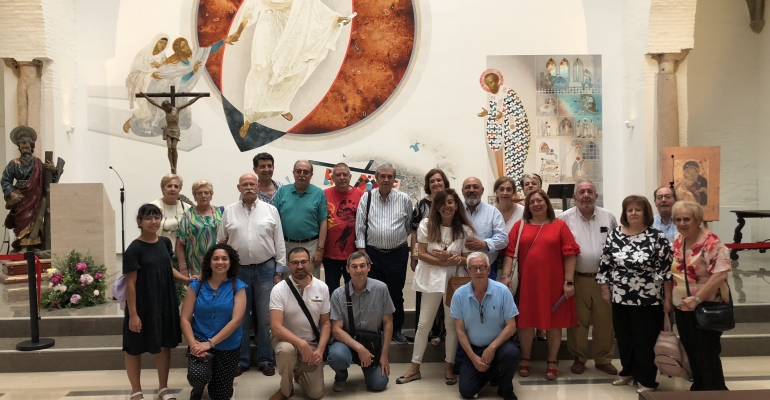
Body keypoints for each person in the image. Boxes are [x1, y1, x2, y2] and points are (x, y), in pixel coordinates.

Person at [228, 1, 353, 137]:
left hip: (293, 29)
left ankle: (281, 106)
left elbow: (314, 7)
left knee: (292, 73)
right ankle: (249, 116)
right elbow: (249, 11)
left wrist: (335, 19)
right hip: (268, 25)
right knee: (261, 68)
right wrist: (238, 32)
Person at [397, 188, 474, 385]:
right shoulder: (426, 224)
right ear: (436, 207)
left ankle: (449, 367)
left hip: (453, 281)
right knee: (423, 324)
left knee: (451, 325)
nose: (447, 207)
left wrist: (456, 259)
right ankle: (415, 367)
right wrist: (444, 262)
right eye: (442, 203)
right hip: (431, 278)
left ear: (456, 205)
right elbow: (420, 253)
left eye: (450, 202)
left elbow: (468, 259)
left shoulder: (464, 229)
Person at [597, 195, 673, 393]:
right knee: (624, 337)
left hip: (648, 298)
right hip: (620, 297)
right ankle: (628, 371)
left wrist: (668, 299)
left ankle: (647, 379)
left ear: (645, 213)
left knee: (645, 340)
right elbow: (605, 264)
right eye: (629, 210)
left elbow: (665, 272)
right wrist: (605, 289)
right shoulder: (615, 235)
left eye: (637, 210)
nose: (633, 213)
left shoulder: (657, 237)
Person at [501, 189, 579, 380]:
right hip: (527, 283)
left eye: (540, 200)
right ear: (527, 206)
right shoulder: (520, 226)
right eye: (532, 201)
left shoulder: (559, 226)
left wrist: (569, 282)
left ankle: (552, 360)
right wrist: (505, 276)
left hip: (553, 283)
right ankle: (525, 358)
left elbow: (570, 254)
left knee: (553, 322)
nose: (536, 204)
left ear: (547, 203)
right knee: (525, 321)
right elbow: (510, 253)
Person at [218, 173, 286, 377]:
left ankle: (266, 359)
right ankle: (242, 359)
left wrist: (279, 272)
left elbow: (279, 242)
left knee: (265, 318)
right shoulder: (229, 212)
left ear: (257, 187)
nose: (248, 187)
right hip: (238, 272)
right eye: (244, 184)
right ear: (238, 188)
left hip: (265, 269)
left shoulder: (271, 210)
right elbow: (221, 242)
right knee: (240, 317)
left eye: (252, 184)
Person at [123, 204, 192, 400]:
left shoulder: (164, 242)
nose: (153, 221)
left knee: (164, 344)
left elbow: (168, 269)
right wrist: (133, 314)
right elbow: (131, 284)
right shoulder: (134, 249)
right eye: (148, 218)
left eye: (156, 217)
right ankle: (136, 391)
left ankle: (163, 388)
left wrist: (187, 280)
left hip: (163, 301)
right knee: (134, 347)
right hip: (143, 304)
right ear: (139, 222)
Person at [557, 180, 618, 375]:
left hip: (604, 280)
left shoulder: (608, 217)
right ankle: (579, 358)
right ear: (574, 197)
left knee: (604, 320)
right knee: (578, 321)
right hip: (578, 277)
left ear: (596, 196)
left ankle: (603, 359)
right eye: (581, 192)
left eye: (589, 191)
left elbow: (616, 247)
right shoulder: (564, 219)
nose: (586, 195)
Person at [671, 201, 731, 391]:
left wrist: (696, 299)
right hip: (683, 306)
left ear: (697, 220)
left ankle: (716, 391)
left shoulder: (711, 242)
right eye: (678, 219)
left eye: (687, 219)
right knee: (691, 350)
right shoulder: (679, 240)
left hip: (706, 306)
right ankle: (699, 388)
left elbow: (721, 274)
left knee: (706, 353)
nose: (682, 223)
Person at [355, 163, 413, 344]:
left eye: (390, 177)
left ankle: (396, 329)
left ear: (394, 180)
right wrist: (362, 251)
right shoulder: (367, 198)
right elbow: (360, 225)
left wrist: (395, 238)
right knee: (373, 293)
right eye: (383, 176)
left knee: (396, 293)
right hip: (373, 254)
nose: (386, 179)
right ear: (376, 178)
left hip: (397, 254)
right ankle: (376, 330)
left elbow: (410, 225)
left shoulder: (404, 198)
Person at [180, 244, 247, 400]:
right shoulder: (197, 285)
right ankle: (197, 388)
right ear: (209, 262)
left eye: (224, 258)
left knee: (220, 395)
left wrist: (210, 344)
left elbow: (236, 321)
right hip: (199, 340)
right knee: (198, 376)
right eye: (215, 258)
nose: (220, 262)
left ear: (231, 262)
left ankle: (218, 386)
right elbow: (184, 318)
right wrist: (194, 345)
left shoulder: (238, 286)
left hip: (228, 344)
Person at [451, 252, 520, 400]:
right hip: (474, 348)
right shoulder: (459, 295)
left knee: (511, 352)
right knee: (467, 392)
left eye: (482, 267)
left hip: (500, 345)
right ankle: (492, 372)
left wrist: (492, 348)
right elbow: (460, 331)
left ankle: (505, 387)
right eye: (473, 268)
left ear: (489, 270)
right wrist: (474, 358)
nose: (478, 272)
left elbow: (511, 326)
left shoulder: (503, 291)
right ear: (467, 271)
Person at [269, 248, 331, 400]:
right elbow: (276, 327)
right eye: (295, 263)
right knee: (286, 350)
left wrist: (320, 350)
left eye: (303, 262)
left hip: (312, 342)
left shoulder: (322, 287)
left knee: (316, 394)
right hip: (285, 341)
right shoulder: (278, 289)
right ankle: (286, 389)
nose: (300, 266)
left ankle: (299, 372)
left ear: (310, 263)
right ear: (288, 265)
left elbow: (326, 323)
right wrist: (302, 344)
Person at [328, 251, 394, 392]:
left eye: (362, 266)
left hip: (371, 342)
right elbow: (336, 329)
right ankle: (341, 376)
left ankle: (369, 370)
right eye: (354, 266)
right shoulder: (338, 294)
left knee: (378, 384)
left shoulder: (381, 289)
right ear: (347, 269)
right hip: (347, 341)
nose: (359, 270)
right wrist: (359, 348)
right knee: (336, 356)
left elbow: (388, 322)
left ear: (369, 267)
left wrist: (384, 355)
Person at [2, 126, 60, 252]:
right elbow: (5, 180)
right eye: (22, 148)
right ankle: (23, 245)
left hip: (35, 196)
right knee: (22, 220)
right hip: (20, 197)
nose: (25, 150)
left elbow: (49, 181)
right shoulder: (13, 163)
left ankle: (33, 245)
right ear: (19, 148)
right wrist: (11, 193)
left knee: (35, 219)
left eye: (27, 147)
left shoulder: (38, 163)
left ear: (32, 147)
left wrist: (54, 170)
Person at [410, 168, 450, 346]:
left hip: (448, 261)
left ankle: (441, 333)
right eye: (432, 181)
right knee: (426, 297)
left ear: (444, 182)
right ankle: (428, 332)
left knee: (445, 301)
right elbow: (414, 232)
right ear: (428, 185)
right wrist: (414, 255)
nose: (436, 183)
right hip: (427, 259)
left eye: (439, 180)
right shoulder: (422, 205)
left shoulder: (452, 202)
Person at [274, 160, 328, 279]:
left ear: (311, 175)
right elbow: (274, 219)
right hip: (286, 245)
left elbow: (323, 222)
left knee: (311, 281)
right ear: (293, 173)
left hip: (311, 246)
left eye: (306, 172)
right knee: (288, 282)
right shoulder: (283, 191)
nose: (302, 174)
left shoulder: (319, 193)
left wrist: (320, 250)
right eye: (298, 171)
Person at [477, 71, 531, 183]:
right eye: (487, 83)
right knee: (500, 165)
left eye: (491, 82)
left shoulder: (508, 93)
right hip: (499, 134)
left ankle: (515, 189)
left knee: (513, 164)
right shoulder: (492, 96)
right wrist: (488, 113)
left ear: (497, 81)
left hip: (514, 134)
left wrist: (502, 115)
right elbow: (495, 114)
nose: (490, 85)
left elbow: (517, 112)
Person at [138, 92, 206, 174]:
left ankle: (175, 166)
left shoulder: (177, 109)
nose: (166, 109)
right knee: (169, 147)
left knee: (174, 147)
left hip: (176, 130)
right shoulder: (165, 110)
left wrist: (198, 97)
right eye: (165, 108)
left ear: (170, 105)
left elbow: (189, 102)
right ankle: (172, 166)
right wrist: (145, 96)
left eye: (167, 107)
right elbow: (154, 103)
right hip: (168, 130)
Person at [323, 163, 364, 295]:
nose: (341, 177)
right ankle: (334, 316)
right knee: (331, 290)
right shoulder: (324, 195)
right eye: (338, 175)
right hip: (330, 254)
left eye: (345, 174)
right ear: (332, 177)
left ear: (350, 177)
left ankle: (352, 316)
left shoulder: (361, 195)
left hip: (353, 254)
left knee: (354, 291)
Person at [461, 177, 508, 282]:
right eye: (467, 187)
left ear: (482, 190)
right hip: (459, 269)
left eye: (476, 187)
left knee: (486, 298)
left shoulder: (492, 212)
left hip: (486, 269)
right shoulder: (455, 211)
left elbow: (503, 238)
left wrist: (484, 244)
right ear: (462, 191)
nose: (471, 190)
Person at [177, 180, 223, 276]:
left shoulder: (221, 213)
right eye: (199, 193)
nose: (203, 195)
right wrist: (183, 267)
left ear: (211, 195)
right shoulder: (188, 215)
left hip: (220, 265)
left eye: (206, 192)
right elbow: (180, 243)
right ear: (194, 196)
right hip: (196, 266)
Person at [124, 34, 168, 133]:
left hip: (158, 85)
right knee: (146, 108)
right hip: (142, 83)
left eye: (165, 44)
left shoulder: (163, 56)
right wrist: (151, 75)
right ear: (155, 41)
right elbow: (134, 72)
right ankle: (132, 122)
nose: (163, 45)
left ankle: (150, 125)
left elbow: (167, 70)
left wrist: (159, 66)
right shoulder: (144, 53)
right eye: (161, 42)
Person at [150, 174, 193, 253]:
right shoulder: (153, 207)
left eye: (176, 186)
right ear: (163, 189)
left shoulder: (188, 208)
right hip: (157, 252)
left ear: (180, 190)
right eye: (169, 186)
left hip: (181, 255)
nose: (173, 189)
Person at [493, 177, 525, 279]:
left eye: (508, 189)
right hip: (494, 260)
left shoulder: (523, 212)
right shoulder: (490, 212)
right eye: (501, 189)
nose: (505, 193)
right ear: (496, 192)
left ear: (513, 192)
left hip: (517, 259)